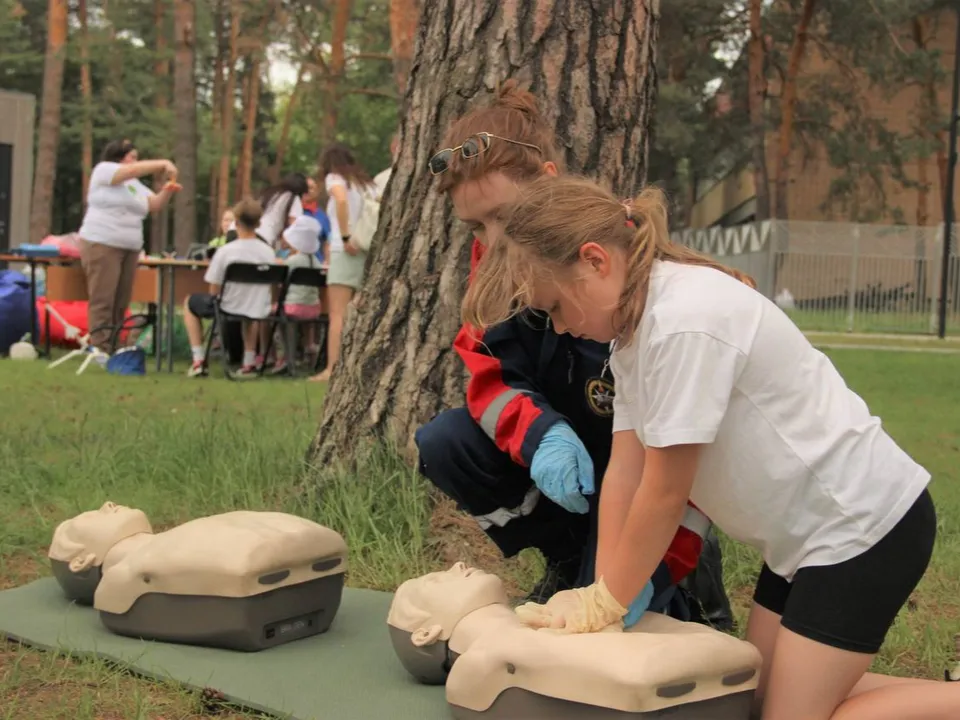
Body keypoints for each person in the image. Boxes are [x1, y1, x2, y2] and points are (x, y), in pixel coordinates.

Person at [461, 174, 959, 720]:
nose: (557, 328)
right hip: (804, 539)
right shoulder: (631, 332)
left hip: (863, 532)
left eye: (554, 307)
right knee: (756, 697)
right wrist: (601, 594)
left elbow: (665, 490)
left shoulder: (682, 323)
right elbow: (626, 472)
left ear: (596, 261)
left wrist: (610, 599)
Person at [414, 81, 733, 629]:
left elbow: (683, 447)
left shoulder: (625, 267)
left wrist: (625, 578)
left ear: (547, 184)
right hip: (577, 460)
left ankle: (684, 576)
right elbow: (491, 378)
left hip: (654, 469)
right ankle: (567, 558)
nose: (491, 243)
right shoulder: (491, 266)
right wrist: (540, 436)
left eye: (502, 217)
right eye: (475, 227)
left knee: (616, 618)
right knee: (445, 442)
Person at [77, 139, 179, 353]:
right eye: (132, 156)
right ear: (119, 156)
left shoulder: (134, 185)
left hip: (130, 246)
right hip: (102, 242)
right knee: (103, 297)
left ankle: (114, 344)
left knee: (121, 299)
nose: (136, 161)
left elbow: (154, 205)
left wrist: (168, 190)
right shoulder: (104, 170)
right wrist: (162, 163)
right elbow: (132, 170)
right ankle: (99, 346)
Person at [183, 198, 278, 378]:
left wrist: (216, 298)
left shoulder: (226, 251)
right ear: (258, 223)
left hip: (228, 305)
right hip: (258, 306)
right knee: (250, 315)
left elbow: (214, 287)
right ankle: (248, 362)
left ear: (237, 221)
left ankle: (198, 360)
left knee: (189, 302)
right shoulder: (268, 251)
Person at [309, 144, 377, 383]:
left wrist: (345, 235)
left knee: (337, 312)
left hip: (343, 248)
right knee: (358, 310)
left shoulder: (335, 179)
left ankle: (332, 368)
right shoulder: (363, 184)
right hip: (364, 249)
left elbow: (340, 200)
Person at [261, 215, 324, 374]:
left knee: (270, 313)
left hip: (292, 308)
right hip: (313, 308)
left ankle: (280, 356)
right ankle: (308, 350)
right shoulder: (316, 262)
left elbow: (279, 282)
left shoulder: (292, 262)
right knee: (297, 317)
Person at [256, 173, 309, 248]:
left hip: (247, 232)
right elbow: (294, 228)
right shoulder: (293, 199)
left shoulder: (270, 193)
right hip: (264, 236)